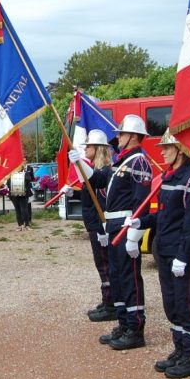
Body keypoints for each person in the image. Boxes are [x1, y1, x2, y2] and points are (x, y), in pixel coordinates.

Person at [129, 130, 190, 379]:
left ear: (180, 150)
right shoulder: (168, 176)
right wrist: (140, 222)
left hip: (181, 251)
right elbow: (165, 217)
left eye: (167, 147)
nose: (161, 151)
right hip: (165, 249)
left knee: (186, 304)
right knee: (171, 305)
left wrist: (183, 256)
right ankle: (180, 349)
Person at [71, 114, 153, 350]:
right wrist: (80, 163)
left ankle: (136, 328)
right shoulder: (121, 162)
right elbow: (97, 179)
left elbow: (141, 201)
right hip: (113, 226)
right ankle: (124, 323)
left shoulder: (139, 162)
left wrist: (135, 234)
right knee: (117, 278)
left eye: (122, 134)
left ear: (134, 137)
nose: (117, 137)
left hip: (127, 227)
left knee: (130, 279)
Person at [65, 129, 116, 322]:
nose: (86, 149)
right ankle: (107, 299)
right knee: (100, 264)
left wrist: (78, 164)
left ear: (99, 149)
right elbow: (89, 192)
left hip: (101, 226)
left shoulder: (105, 172)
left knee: (105, 265)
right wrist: (73, 194)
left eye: (89, 146)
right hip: (93, 224)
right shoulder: (96, 172)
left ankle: (111, 304)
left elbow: (97, 183)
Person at [8, 162, 35, 230]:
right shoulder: (11, 174)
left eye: (19, 167)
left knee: (24, 210)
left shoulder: (25, 173)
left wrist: (22, 175)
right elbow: (8, 183)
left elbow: (29, 180)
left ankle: (27, 225)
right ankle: (20, 225)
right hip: (14, 194)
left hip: (24, 194)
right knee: (18, 210)